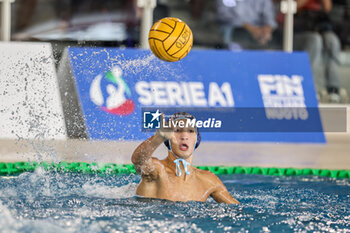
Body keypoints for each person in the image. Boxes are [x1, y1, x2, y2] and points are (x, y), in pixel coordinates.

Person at [132, 112, 239, 204]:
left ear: (197, 139)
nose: (184, 136)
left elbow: (239, 210)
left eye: (191, 131)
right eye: (177, 131)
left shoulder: (208, 181)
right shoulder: (157, 171)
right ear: (168, 139)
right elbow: (138, 160)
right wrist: (158, 138)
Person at [293, 0, 344, 102]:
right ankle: (311, 87)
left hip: (318, 26)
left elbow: (327, 7)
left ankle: (333, 88)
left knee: (332, 41)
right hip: (299, 29)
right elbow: (294, 7)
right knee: (315, 41)